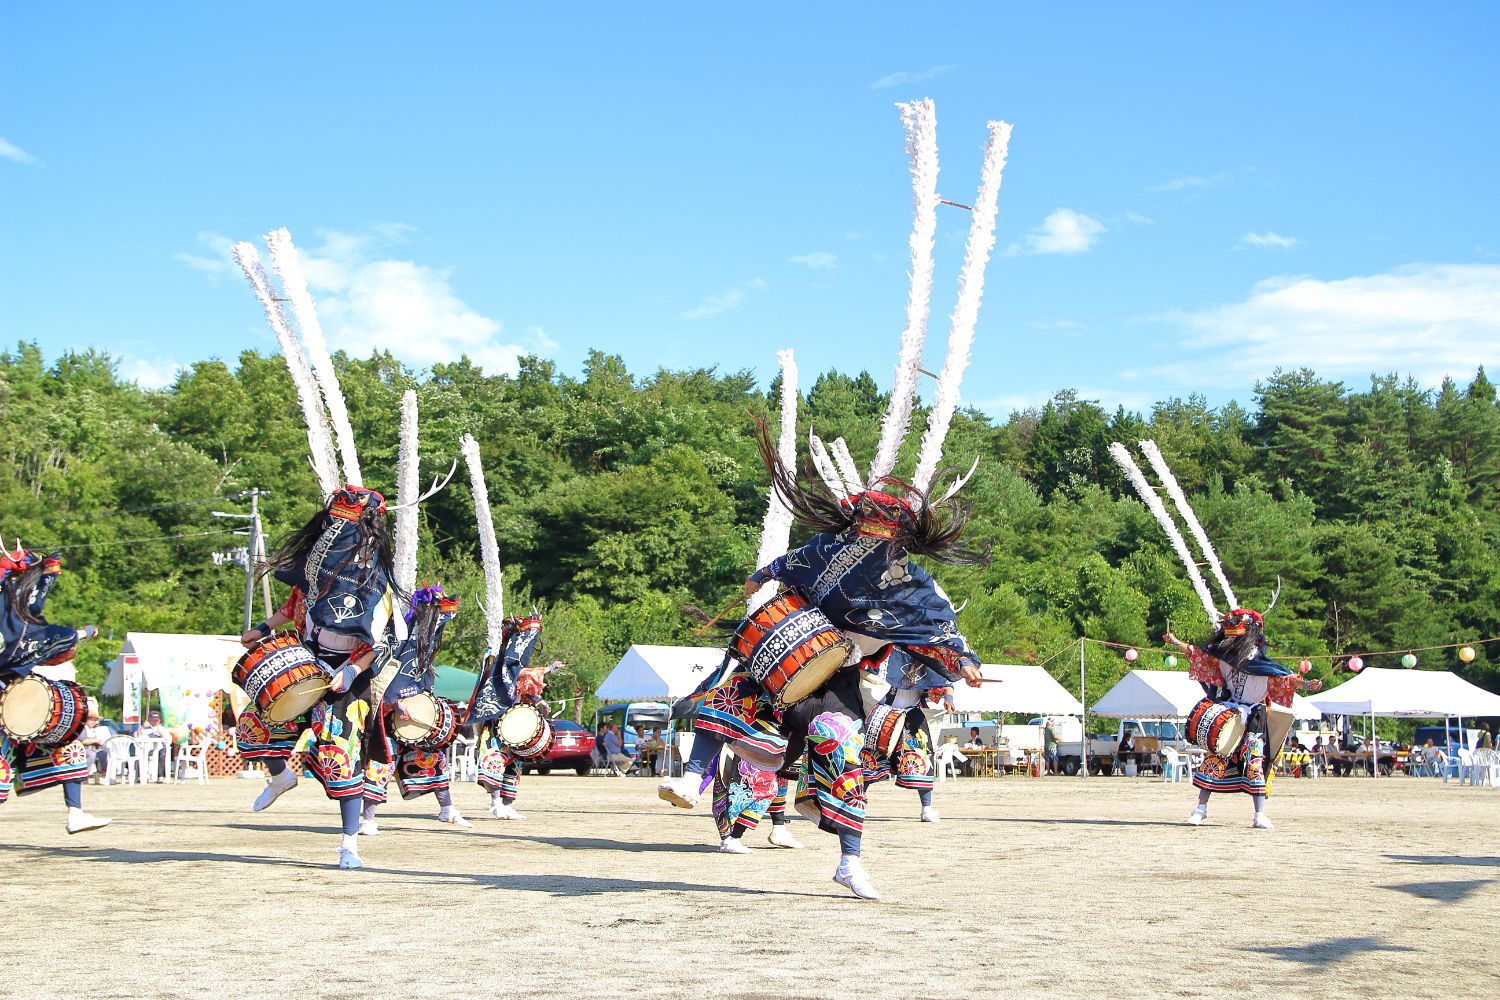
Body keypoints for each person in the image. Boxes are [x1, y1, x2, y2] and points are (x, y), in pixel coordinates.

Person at [658, 420, 986, 899]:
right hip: (792, 656)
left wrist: (964, 661)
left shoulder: (911, 582)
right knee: (726, 698)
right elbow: (787, 562)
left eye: (881, 525)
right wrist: (761, 576)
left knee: (841, 749)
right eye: (866, 522)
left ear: (896, 532)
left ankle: (849, 862)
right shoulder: (827, 547)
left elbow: (937, 624)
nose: (870, 533)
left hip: (840, 678)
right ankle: (691, 780)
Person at [236, 485, 401, 870]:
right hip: (306, 662)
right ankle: (279, 778)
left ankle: (349, 845)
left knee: (338, 756)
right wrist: (261, 629)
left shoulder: (375, 585)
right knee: (254, 727)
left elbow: (378, 644)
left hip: (348, 673)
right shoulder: (318, 572)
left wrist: (351, 671)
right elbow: (292, 606)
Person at [0, 548, 110, 833]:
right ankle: (75, 812)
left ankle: (76, 813)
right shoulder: (18, 622)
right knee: (64, 744)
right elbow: (51, 640)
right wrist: (85, 632)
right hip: (8, 700)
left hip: (15, 700)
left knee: (66, 745)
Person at [1165, 608, 1304, 829]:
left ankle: (1259, 814)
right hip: (1229, 713)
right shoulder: (1223, 658)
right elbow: (1197, 654)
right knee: (1215, 759)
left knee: (1255, 762)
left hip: (1254, 719)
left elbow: (1285, 680)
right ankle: (1200, 809)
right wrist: (1176, 642)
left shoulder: (1264, 665)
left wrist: (1302, 683)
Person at [359, 586, 470, 834]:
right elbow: (384, 673)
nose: (443, 621)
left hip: (414, 709)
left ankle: (447, 810)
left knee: (434, 758)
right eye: (441, 615)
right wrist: (395, 703)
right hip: (390, 712)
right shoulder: (404, 636)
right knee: (382, 763)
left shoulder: (426, 640)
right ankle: (367, 819)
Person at [467, 614, 558, 820]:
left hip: (514, 721)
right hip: (496, 719)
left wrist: (539, 701)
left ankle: (507, 804)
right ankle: (495, 802)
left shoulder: (512, 661)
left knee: (514, 764)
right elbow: (518, 676)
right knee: (496, 760)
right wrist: (548, 669)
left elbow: (520, 682)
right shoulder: (497, 660)